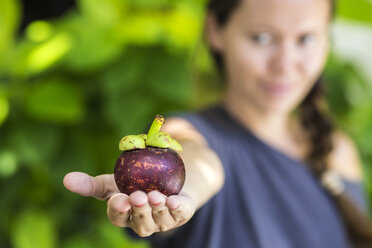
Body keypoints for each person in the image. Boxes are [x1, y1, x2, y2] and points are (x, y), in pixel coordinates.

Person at [63, 0, 372, 247]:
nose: (285, 64)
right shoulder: (191, 133)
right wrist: (181, 194)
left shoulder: (337, 150)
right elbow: (199, 164)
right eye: (262, 38)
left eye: (306, 39)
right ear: (215, 30)